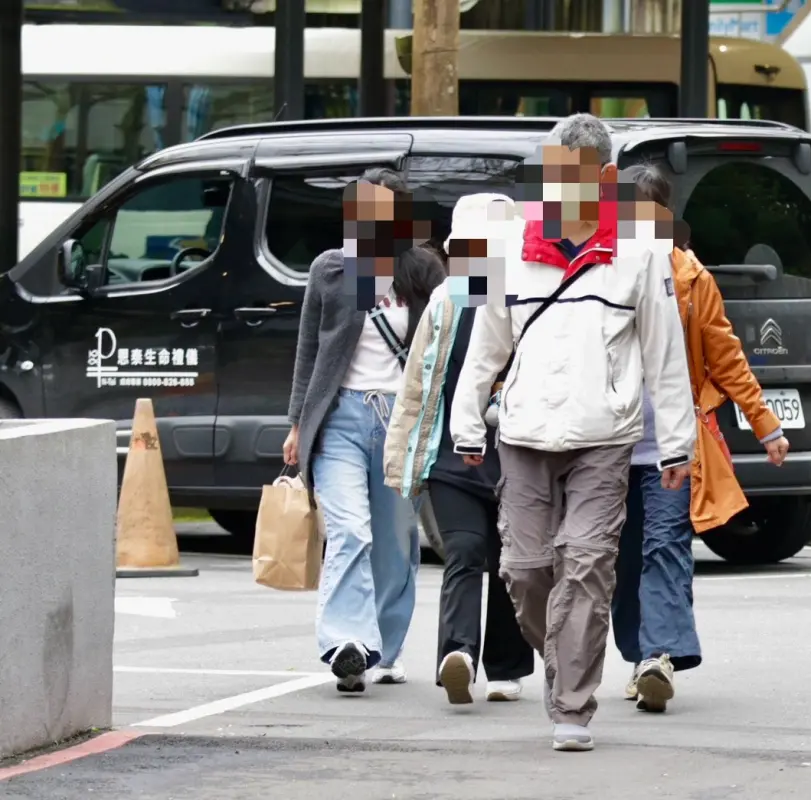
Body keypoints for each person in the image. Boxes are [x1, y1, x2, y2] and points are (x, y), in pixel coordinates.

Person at [450, 113, 696, 752]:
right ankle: (569, 654)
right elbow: (487, 344)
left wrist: (677, 444)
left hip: (604, 436)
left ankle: (572, 707)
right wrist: (466, 420)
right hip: (524, 432)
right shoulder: (511, 245)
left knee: (586, 565)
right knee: (524, 569)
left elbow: (665, 353)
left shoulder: (640, 252)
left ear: (606, 178)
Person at [610, 163, 790, 714]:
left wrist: (765, 422)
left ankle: (658, 657)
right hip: (609, 441)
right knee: (622, 557)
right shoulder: (598, 273)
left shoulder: (692, 278)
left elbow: (725, 354)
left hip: (672, 443)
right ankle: (640, 653)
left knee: (665, 545)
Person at [283, 167, 445, 694]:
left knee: (396, 541)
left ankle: (386, 648)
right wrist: (297, 421)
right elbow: (308, 349)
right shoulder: (332, 269)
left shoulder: (423, 271)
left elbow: (447, 339)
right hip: (340, 417)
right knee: (350, 530)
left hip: (401, 420)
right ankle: (347, 644)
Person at [383, 192, 534, 706]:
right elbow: (415, 385)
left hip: (519, 454)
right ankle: (459, 655)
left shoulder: (528, 296)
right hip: (452, 457)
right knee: (466, 551)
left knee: (513, 561)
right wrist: (401, 453)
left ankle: (507, 666)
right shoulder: (445, 302)